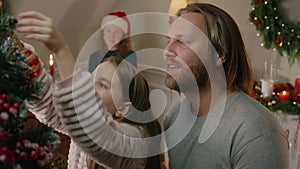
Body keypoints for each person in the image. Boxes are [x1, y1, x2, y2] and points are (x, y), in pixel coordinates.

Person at [16, 11, 162, 169]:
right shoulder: (82, 122)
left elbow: (98, 134)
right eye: (91, 80)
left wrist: (62, 50)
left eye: (102, 85)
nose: (90, 88)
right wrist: (18, 51)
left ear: (124, 108)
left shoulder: (136, 143)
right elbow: (50, 105)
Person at [162, 3, 289, 169]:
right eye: (168, 41)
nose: (167, 51)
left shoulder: (256, 131)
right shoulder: (173, 117)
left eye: (182, 42)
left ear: (220, 54)